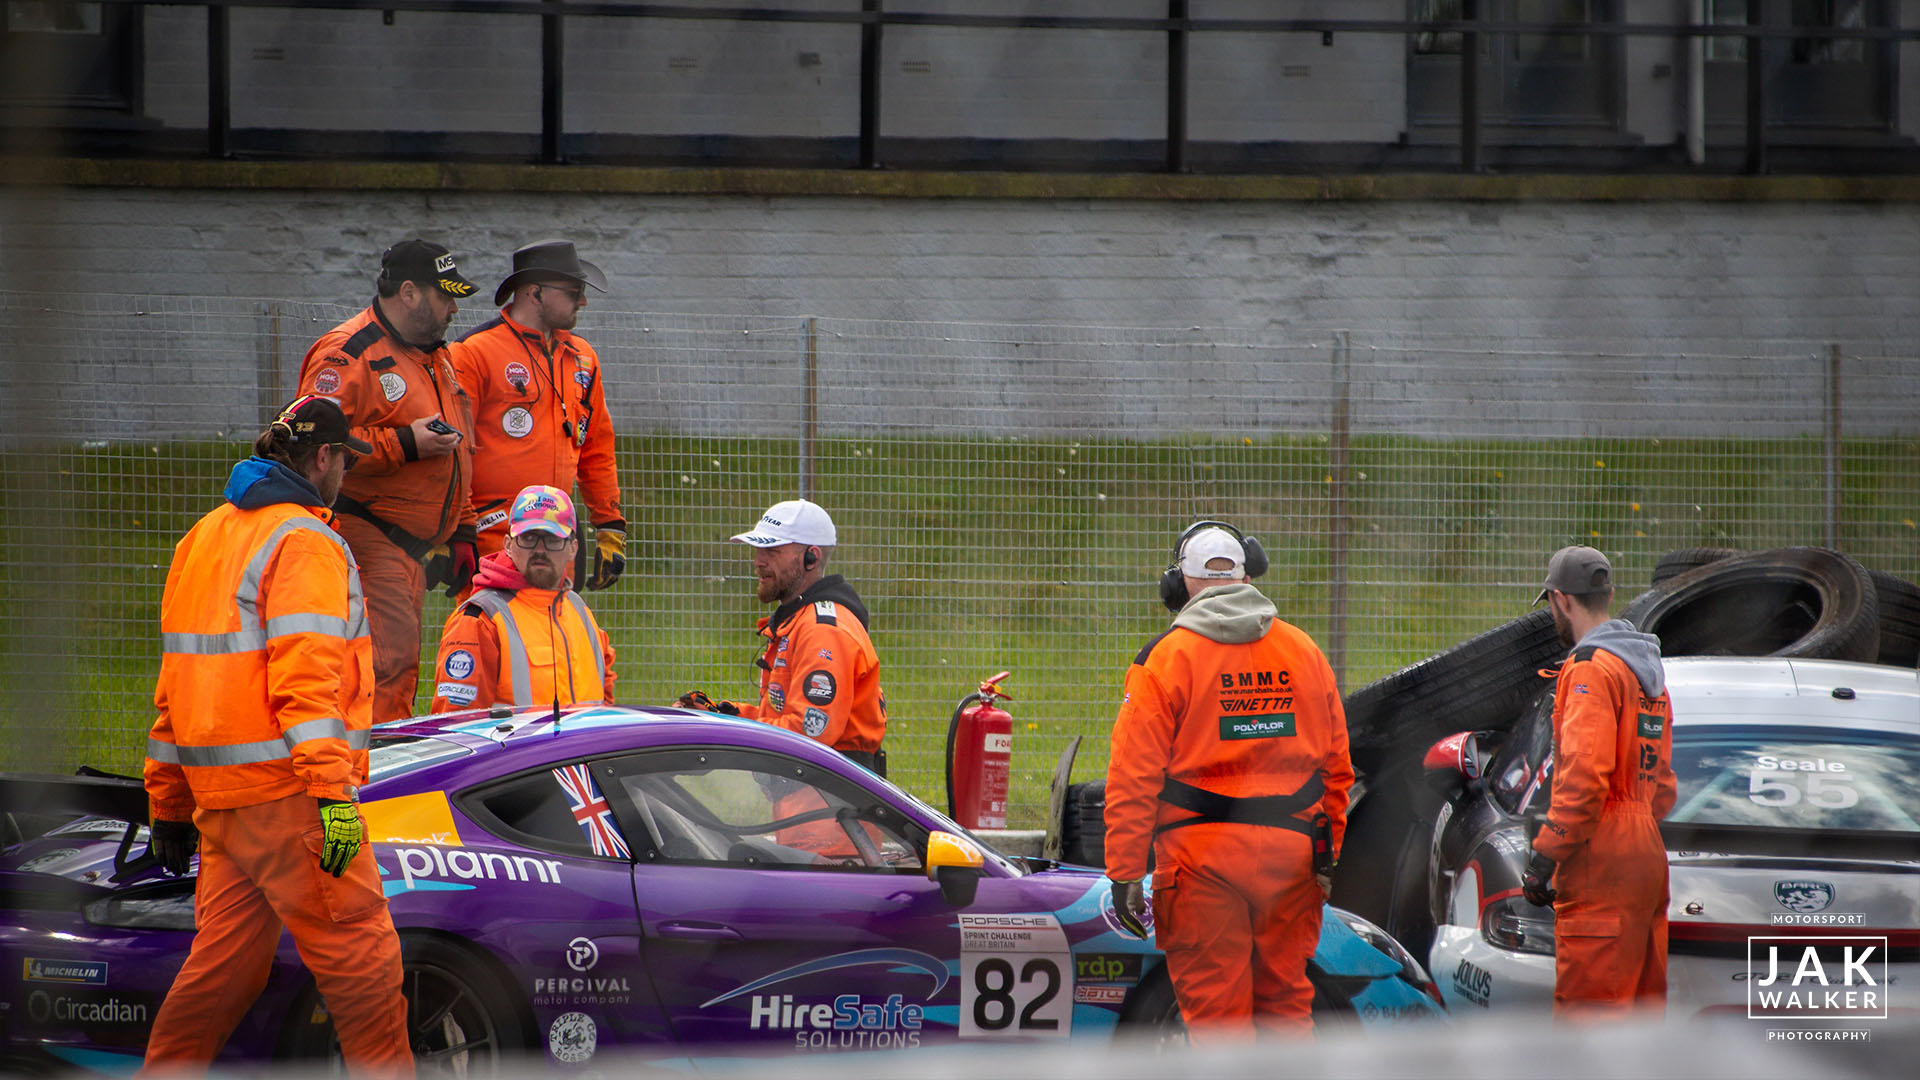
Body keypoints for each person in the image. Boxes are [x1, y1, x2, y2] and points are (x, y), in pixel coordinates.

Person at [140, 396, 410, 1076]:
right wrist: (334, 795)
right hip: (293, 802)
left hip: (222, 807)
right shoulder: (307, 543)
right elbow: (307, 684)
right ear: (323, 458)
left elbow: (177, 684)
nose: (345, 476)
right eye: (345, 461)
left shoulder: (201, 539)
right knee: (366, 971)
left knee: (221, 975)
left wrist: (168, 804)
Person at [1103, 522, 1353, 1043]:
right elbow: (1336, 769)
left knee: (1218, 1024)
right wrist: (1328, 854)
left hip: (1201, 865)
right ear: (1247, 574)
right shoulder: (1304, 651)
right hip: (1292, 861)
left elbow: (1133, 776)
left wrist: (1125, 872)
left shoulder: (1164, 660)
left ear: (1179, 586)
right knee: (1287, 1007)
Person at [297, 238, 480, 722]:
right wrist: (404, 444)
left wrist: (463, 528)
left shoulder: (437, 356)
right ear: (409, 293)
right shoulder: (346, 354)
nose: (455, 309)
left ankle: (381, 773)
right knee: (379, 668)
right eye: (446, 296)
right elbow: (312, 445)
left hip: (413, 549)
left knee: (397, 668)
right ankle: (367, 778)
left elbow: (458, 447)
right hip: (367, 534)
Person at [1521, 545, 1676, 1018]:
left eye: (1551, 603)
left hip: (1601, 858)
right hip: (1647, 856)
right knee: (1641, 1022)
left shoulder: (1591, 669)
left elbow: (1585, 779)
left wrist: (1546, 855)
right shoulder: (1647, 672)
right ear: (1607, 594)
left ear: (1561, 600)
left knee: (1589, 1029)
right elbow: (1664, 786)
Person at [450, 240, 625, 588]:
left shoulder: (582, 356)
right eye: (574, 291)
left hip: (559, 539)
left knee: (556, 637)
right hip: (494, 536)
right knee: (492, 635)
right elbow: (453, 450)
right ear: (535, 293)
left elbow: (596, 448)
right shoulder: (474, 353)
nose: (583, 301)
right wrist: (458, 527)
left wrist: (609, 526)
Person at [675, 499, 888, 775]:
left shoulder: (822, 630)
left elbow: (808, 735)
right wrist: (724, 716)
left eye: (772, 550)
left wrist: (727, 731)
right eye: (758, 549)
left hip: (826, 806)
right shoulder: (800, 620)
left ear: (811, 557)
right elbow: (787, 723)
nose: (758, 561)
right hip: (815, 798)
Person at [428, 485, 616, 713]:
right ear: (508, 545)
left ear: (573, 549)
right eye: (528, 538)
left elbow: (605, 703)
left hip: (586, 748)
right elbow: (456, 727)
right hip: (518, 751)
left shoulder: (579, 611)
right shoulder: (480, 619)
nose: (540, 550)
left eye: (552, 539)